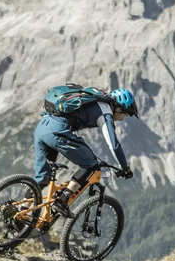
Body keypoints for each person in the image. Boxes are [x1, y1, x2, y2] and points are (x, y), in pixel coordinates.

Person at [33, 86, 138, 218]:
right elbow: (114, 145)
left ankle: (20, 212)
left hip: (42, 126)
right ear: (118, 109)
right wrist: (125, 167)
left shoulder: (93, 101)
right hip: (57, 132)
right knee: (91, 165)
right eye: (125, 114)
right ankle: (62, 200)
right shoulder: (105, 112)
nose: (123, 118)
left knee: (42, 179)